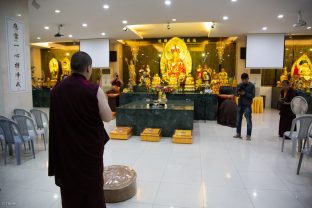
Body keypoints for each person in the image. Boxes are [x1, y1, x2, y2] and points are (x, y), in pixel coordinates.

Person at [48, 51, 112, 208]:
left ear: (71, 67)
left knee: (70, 192)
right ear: (88, 68)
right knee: (92, 191)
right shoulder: (93, 89)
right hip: (88, 152)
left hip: (66, 150)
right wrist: (104, 95)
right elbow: (108, 117)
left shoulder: (56, 89)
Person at [234, 73, 255, 141]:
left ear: (248, 79)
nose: (244, 81)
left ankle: (248, 135)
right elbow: (235, 94)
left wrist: (245, 93)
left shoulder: (252, 86)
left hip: (247, 105)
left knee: (248, 121)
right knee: (238, 120)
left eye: (245, 80)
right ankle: (238, 134)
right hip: (240, 104)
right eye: (243, 80)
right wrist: (238, 93)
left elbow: (253, 96)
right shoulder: (239, 85)